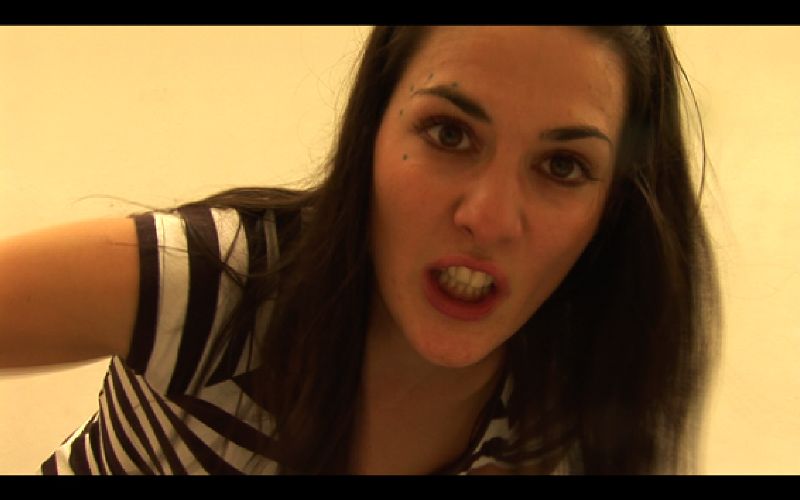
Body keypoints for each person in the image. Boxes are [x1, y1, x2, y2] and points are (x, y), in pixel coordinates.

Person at [0, 26, 720, 475]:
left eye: (562, 166)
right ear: (372, 130)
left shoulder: (558, 409)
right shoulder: (215, 283)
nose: (491, 218)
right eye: (449, 134)